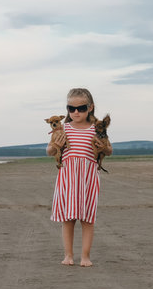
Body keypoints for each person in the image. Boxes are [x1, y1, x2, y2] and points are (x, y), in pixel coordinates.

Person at [46, 88, 112, 267]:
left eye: (81, 108)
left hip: (88, 177)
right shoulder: (63, 128)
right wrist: (55, 146)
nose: (76, 112)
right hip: (67, 176)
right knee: (68, 219)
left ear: (90, 108)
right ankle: (68, 255)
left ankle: (85, 256)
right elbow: (49, 151)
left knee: (87, 218)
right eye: (71, 108)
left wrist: (102, 147)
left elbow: (109, 150)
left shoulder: (96, 128)